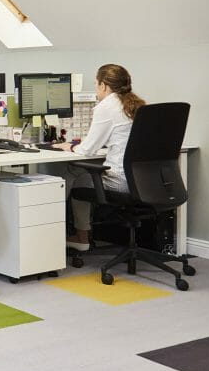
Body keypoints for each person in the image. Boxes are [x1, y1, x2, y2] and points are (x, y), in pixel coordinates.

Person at [53, 64, 147, 251]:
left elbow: (87, 150)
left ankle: (77, 236)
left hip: (120, 182)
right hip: (145, 182)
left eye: (96, 85)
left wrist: (69, 146)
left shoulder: (107, 106)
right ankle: (79, 234)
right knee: (80, 171)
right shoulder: (137, 105)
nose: (96, 90)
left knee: (76, 173)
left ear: (103, 85)